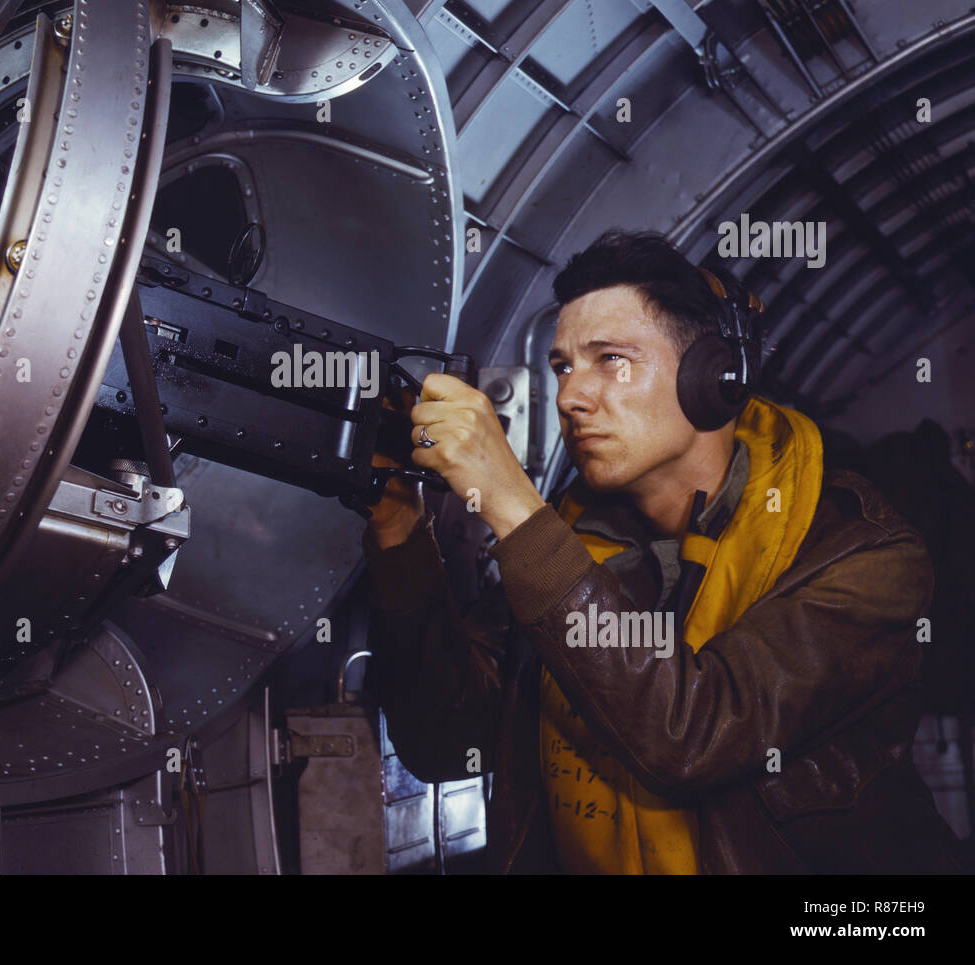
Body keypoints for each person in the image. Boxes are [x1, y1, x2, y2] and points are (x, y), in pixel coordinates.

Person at [361, 230, 964, 874]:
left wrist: (512, 504)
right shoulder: (566, 549)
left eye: (611, 360)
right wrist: (399, 525)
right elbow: (444, 740)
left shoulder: (862, 556)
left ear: (716, 377)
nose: (570, 395)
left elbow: (693, 737)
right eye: (563, 365)